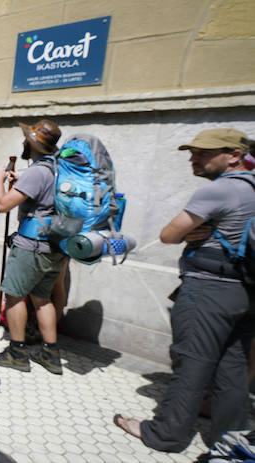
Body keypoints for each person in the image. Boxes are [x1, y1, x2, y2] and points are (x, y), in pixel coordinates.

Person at [114, 128, 255, 452]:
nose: (193, 158)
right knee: (232, 369)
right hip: (245, 292)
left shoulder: (220, 191)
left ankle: (166, 434)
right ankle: (232, 442)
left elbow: (168, 234)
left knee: (192, 364)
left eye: (204, 153)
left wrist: (190, 234)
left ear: (234, 155)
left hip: (209, 292)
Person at [0, 119, 66, 375]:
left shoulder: (36, 172)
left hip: (32, 247)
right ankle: (51, 354)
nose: (23, 142)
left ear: (32, 144)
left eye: (26, 139)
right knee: (42, 299)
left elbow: (3, 205)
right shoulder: (57, 168)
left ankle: (17, 352)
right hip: (55, 246)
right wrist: (22, 178)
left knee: (14, 295)